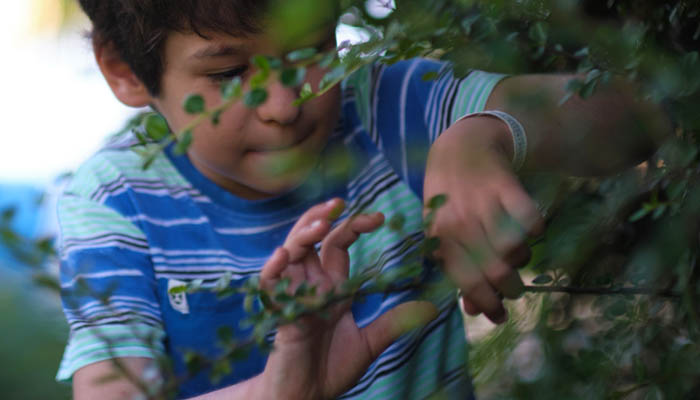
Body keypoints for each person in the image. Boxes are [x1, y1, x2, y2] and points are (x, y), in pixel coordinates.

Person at [57, 1, 670, 399]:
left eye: (311, 53)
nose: (285, 106)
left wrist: (485, 133)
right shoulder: (114, 202)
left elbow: (638, 117)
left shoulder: (385, 111)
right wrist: (283, 389)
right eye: (230, 74)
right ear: (126, 72)